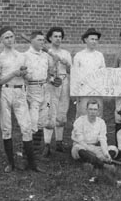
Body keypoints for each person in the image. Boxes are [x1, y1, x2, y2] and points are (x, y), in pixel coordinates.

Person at [0, 26, 43, 173]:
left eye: (11, 36)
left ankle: (32, 163)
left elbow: (29, 76)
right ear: (1, 40)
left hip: (20, 92)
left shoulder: (22, 56)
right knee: (6, 128)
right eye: (6, 37)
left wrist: (25, 73)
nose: (9, 40)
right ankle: (10, 163)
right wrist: (14, 72)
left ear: (15, 38)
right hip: (6, 92)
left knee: (26, 127)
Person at [42, 27, 72, 157]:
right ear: (50, 38)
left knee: (62, 111)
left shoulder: (66, 53)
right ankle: (47, 144)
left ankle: (59, 142)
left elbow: (71, 71)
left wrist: (67, 65)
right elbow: (42, 71)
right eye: (55, 36)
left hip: (64, 82)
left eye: (60, 36)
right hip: (51, 84)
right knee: (49, 111)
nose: (58, 39)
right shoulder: (45, 53)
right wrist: (50, 77)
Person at [23, 30, 54, 154]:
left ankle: (35, 153)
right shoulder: (25, 56)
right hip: (32, 89)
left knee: (42, 121)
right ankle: (27, 154)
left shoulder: (46, 56)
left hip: (45, 88)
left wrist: (52, 79)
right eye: (39, 40)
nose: (42, 42)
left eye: (43, 40)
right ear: (32, 41)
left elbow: (51, 72)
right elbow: (22, 75)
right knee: (32, 122)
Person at [71, 100, 117, 182]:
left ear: (98, 111)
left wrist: (106, 153)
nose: (92, 112)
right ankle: (104, 165)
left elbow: (102, 139)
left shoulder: (101, 122)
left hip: (94, 146)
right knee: (79, 149)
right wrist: (92, 150)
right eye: (90, 109)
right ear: (86, 110)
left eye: (95, 109)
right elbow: (80, 140)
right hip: (81, 146)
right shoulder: (79, 121)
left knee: (113, 149)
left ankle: (93, 163)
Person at [73, 28, 105, 118]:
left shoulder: (99, 55)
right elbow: (75, 75)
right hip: (83, 91)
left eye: (96, 39)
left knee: (97, 114)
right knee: (83, 114)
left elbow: (103, 73)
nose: (94, 41)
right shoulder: (79, 55)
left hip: (97, 91)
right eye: (92, 39)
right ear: (86, 40)